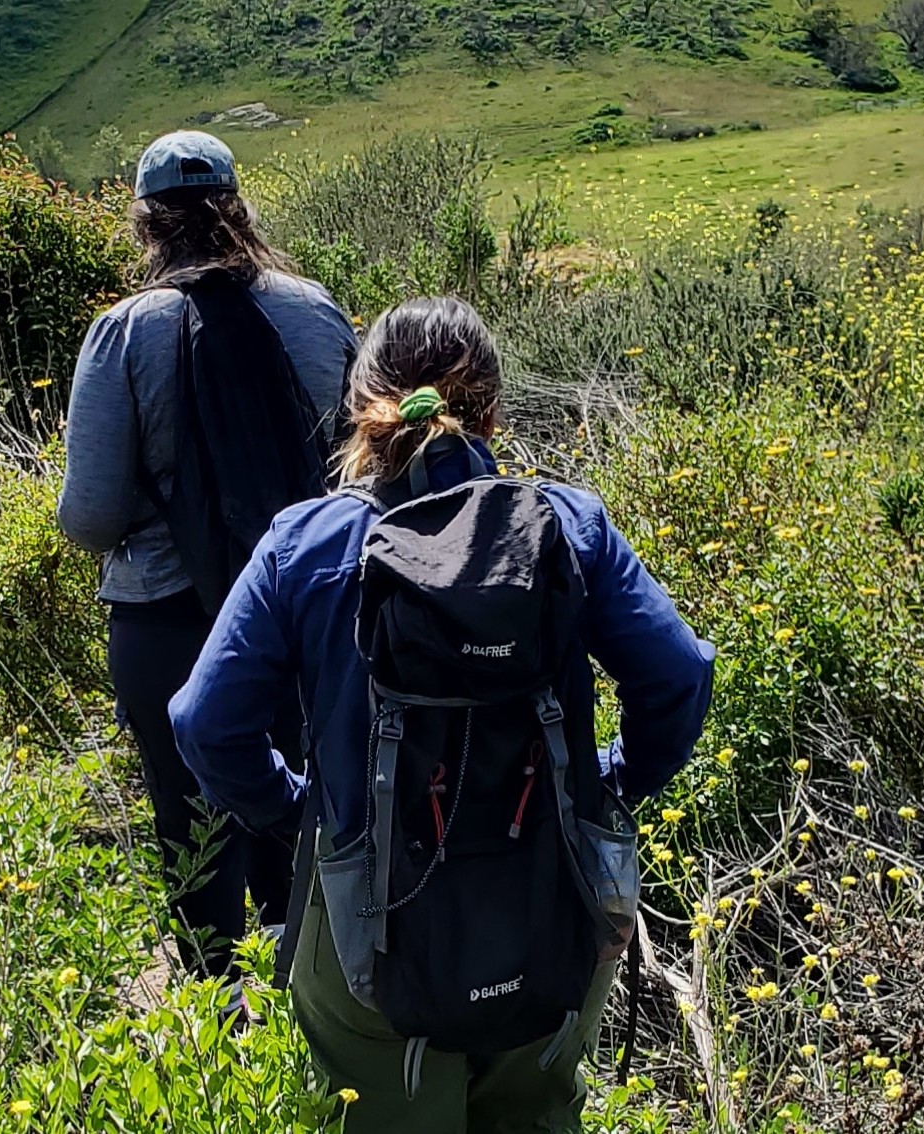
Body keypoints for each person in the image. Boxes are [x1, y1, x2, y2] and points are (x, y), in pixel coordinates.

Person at [169, 297, 714, 1133]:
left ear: (361, 410)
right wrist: (609, 783)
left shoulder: (306, 541)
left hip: (365, 930)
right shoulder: (569, 526)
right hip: (554, 904)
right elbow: (680, 675)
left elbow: (206, 723)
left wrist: (301, 813)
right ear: (492, 410)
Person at [58, 130, 357, 991]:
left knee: (189, 827)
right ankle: (311, 1011)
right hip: (303, 617)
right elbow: (355, 477)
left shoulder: (122, 334)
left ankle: (217, 1029)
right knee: (298, 811)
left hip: (166, 621)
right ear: (240, 209)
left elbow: (90, 516)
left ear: (147, 224)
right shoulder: (315, 310)